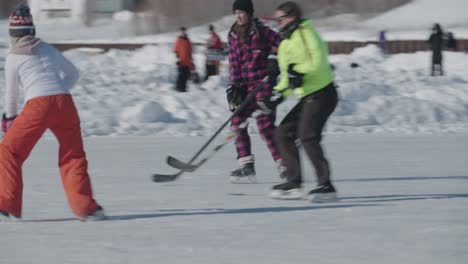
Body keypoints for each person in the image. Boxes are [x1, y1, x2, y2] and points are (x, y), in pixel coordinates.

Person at [0, 4, 105, 221]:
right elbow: (74, 73)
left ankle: (6, 205)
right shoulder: (48, 48)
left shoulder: (13, 57)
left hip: (37, 106)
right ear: (31, 31)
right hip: (65, 103)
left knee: (8, 152)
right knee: (73, 154)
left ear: (13, 35)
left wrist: (10, 118)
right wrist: (59, 90)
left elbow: (11, 95)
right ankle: (87, 208)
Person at [257, 2, 338, 202]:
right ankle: (294, 184)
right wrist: (276, 95)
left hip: (323, 93)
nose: (278, 23)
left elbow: (317, 62)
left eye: (280, 19)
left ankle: (326, 186)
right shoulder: (285, 43)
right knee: (282, 133)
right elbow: (287, 77)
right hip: (308, 96)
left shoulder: (306, 32)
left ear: (292, 17)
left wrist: (298, 70)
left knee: (307, 136)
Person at [227, 0, 284, 183]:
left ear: (249, 13)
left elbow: (285, 45)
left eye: (241, 12)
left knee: (264, 125)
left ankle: (283, 163)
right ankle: (246, 165)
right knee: (237, 122)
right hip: (243, 88)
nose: (238, 16)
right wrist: (234, 87)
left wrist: (274, 59)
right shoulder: (233, 35)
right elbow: (234, 62)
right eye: (235, 12)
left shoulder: (262, 31)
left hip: (264, 84)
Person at [174, 27, 194, 92]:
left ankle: (183, 88)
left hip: (187, 61)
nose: (183, 33)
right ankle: (178, 87)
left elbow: (190, 50)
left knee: (186, 75)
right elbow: (176, 50)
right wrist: (177, 58)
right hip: (181, 61)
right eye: (182, 32)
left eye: (184, 31)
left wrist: (191, 60)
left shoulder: (188, 40)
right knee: (180, 75)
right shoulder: (178, 40)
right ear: (180, 32)